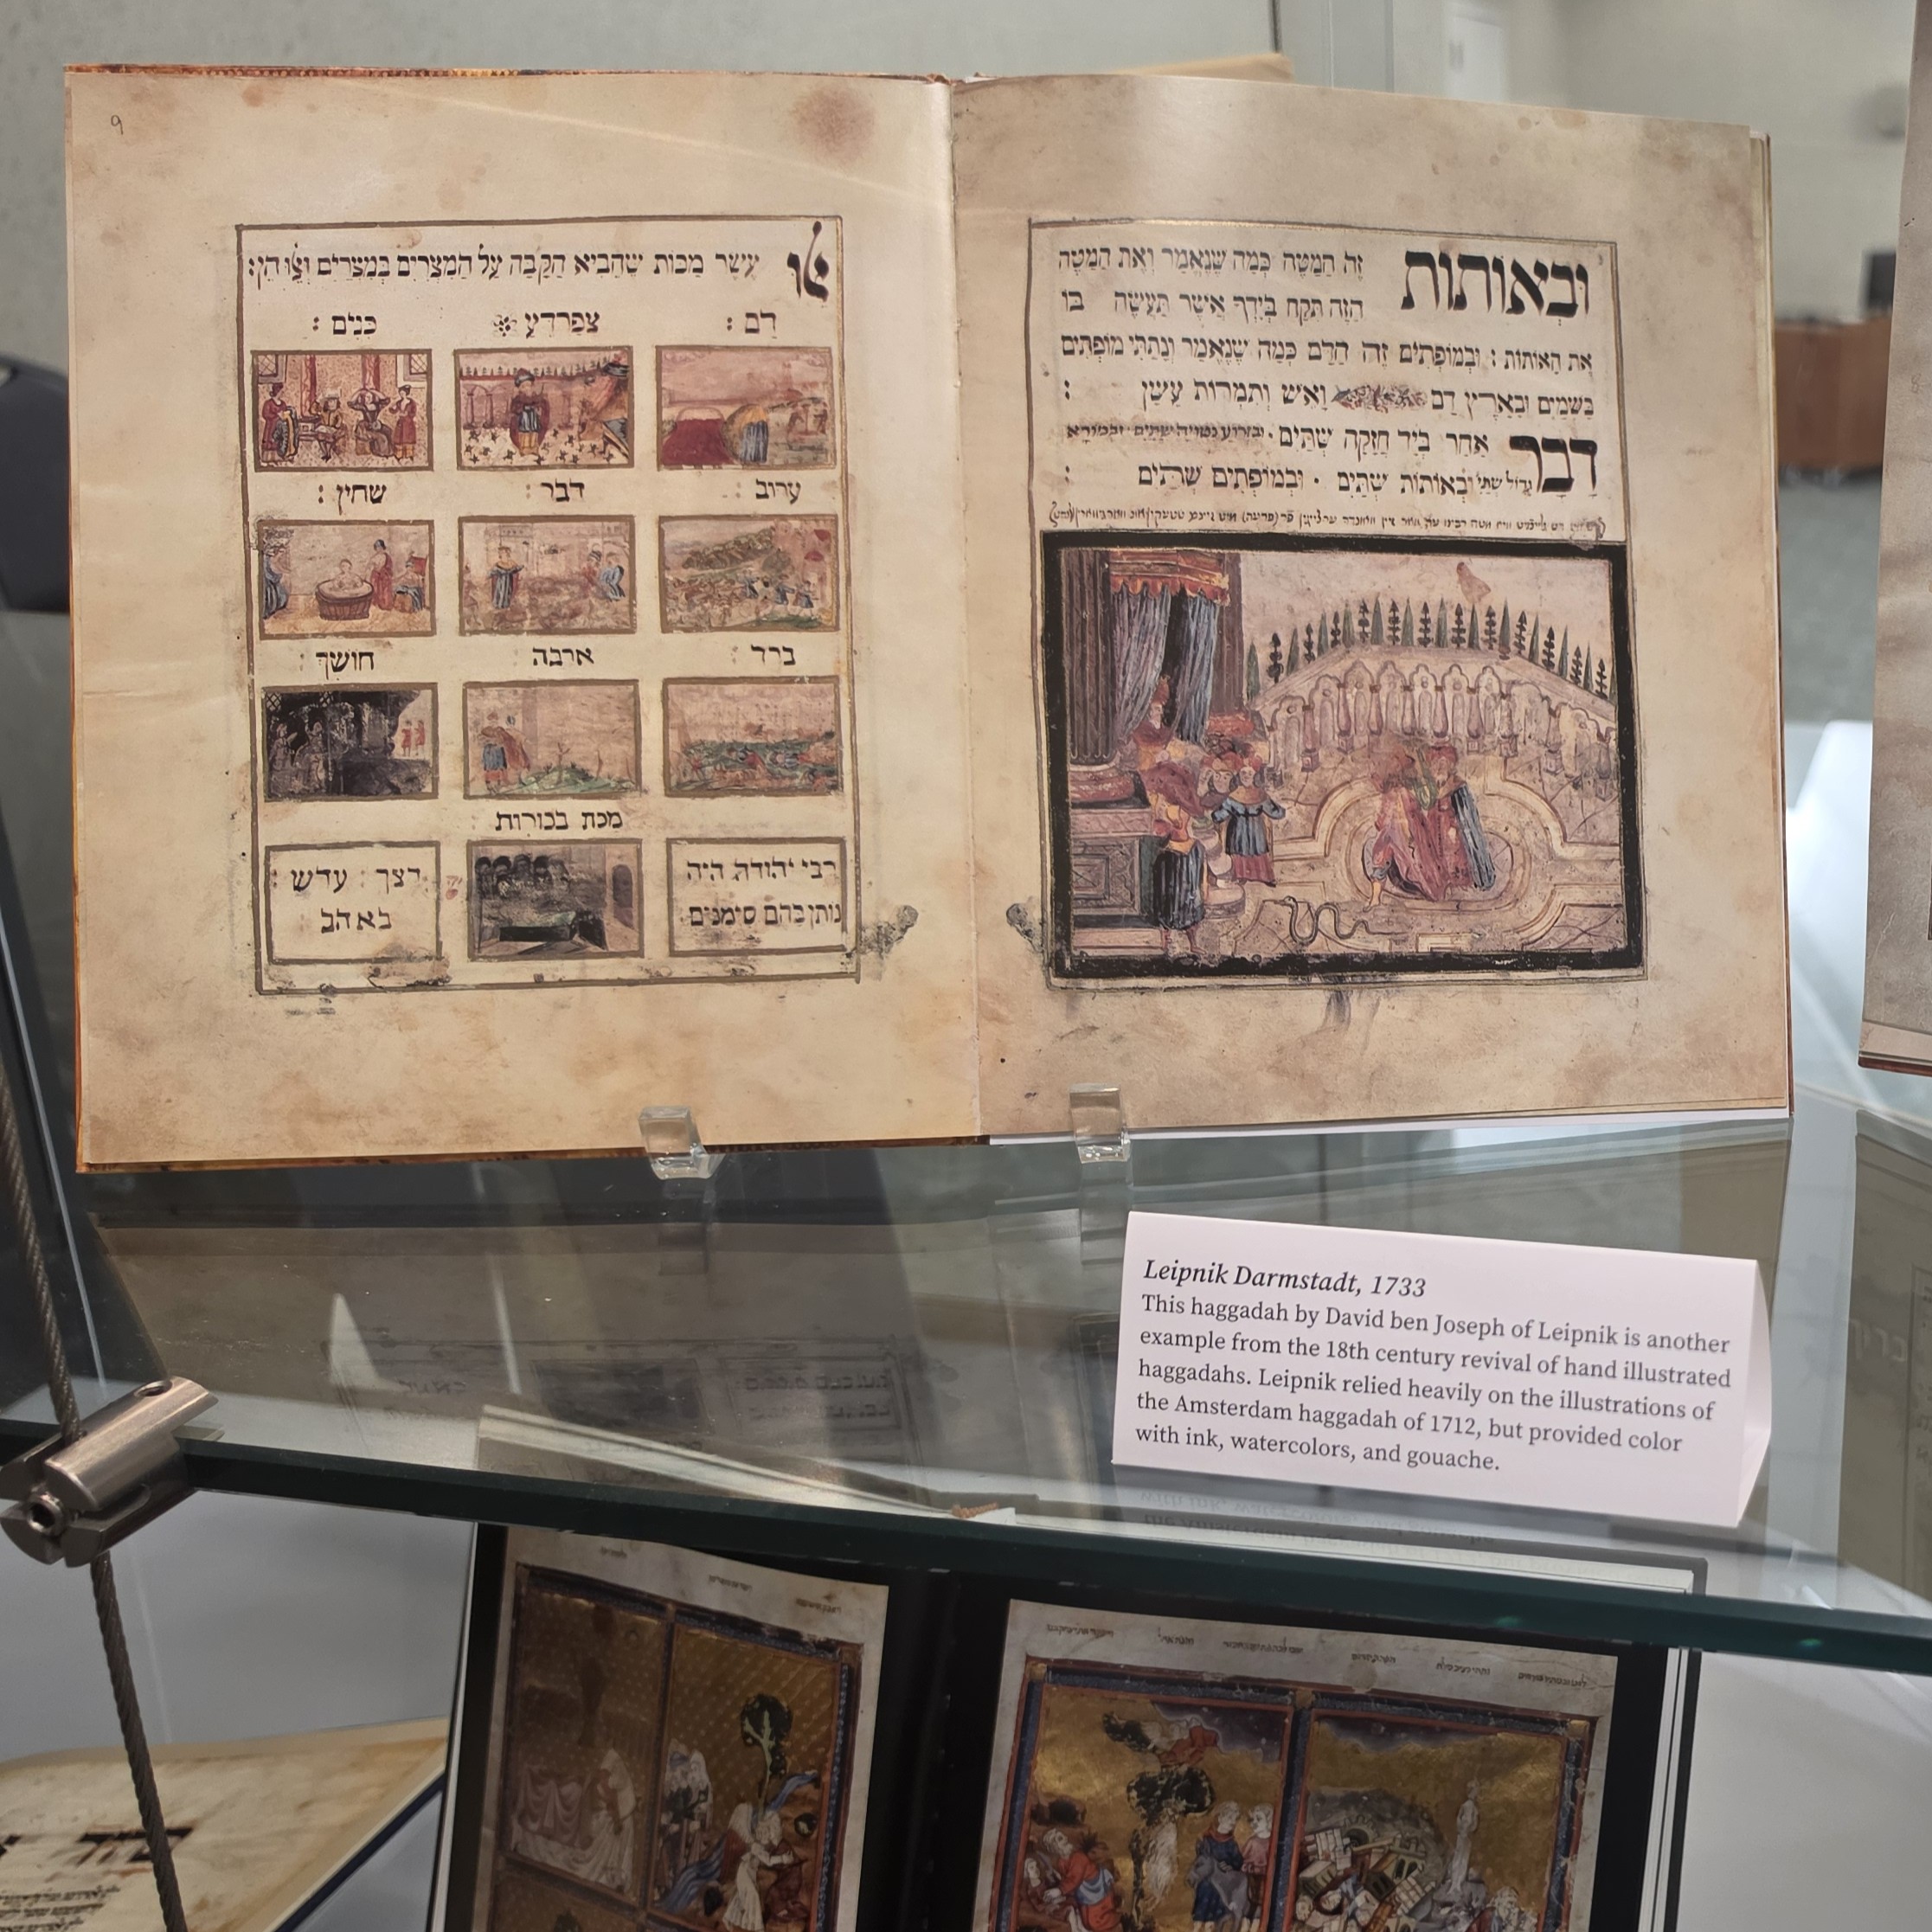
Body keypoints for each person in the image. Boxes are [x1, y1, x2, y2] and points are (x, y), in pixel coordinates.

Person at [1145, 761, 1206, 959]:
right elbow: (1161, 829)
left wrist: (1164, 813)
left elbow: (1177, 826)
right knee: (1167, 899)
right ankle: (1165, 941)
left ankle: (1192, 943)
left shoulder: (1178, 808)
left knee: (1189, 899)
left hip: (1184, 850)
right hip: (1171, 851)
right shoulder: (1164, 805)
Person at [1038, 1825, 1121, 1932]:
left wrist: (1059, 1890)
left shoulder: (1078, 1857)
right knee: (1086, 1922)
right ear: (1053, 1847)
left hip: (1096, 1890)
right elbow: (1067, 1879)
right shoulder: (1061, 1862)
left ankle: (1118, 1919)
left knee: (1094, 1922)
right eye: (1060, 1839)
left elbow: (1074, 1879)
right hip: (1084, 1894)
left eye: (1063, 1837)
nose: (1066, 1839)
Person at [1187, 1803, 1248, 1932]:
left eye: (1234, 1820)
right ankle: (1198, 1924)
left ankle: (1211, 1925)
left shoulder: (1231, 1843)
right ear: (1220, 1818)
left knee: (1218, 1893)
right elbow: (1202, 1858)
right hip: (1207, 1878)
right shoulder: (1207, 1839)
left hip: (1223, 1879)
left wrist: (1230, 1865)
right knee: (1204, 1889)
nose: (1232, 1823)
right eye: (1230, 1818)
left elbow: (1238, 1860)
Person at [479, 714, 530, 791]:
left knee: (500, 766)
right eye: (491, 722)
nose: (493, 723)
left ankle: (499, 783)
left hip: (499, 751)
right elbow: (482, 739)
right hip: (489, 751)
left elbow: (508, 738)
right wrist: (489, 741)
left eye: (495, 722)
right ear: (489, 722)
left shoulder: (500, 730)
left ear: (497, 722)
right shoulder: (486, 730)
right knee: (490, 767)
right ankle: (489, 784)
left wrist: (512, 743)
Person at [510, 370, 550, 456]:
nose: (527, 388)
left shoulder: (533, 396)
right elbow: (515, 408)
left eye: (528, 385)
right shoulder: (519, 398)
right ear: (519, 388)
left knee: (534, 431)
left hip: (533, 417)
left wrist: (540, 399)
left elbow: (538, 401)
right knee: (525, 432)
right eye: (523, 386)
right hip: (524, 418)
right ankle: (524, 448)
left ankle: (534, 447)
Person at [259, 381, 297, 463]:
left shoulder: (283, 404)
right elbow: (265, 414)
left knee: (281, 442)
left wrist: (286, 415)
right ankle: (268, 459)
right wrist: (276, 415)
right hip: (271, 427)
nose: (282, 393)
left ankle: (280, 457)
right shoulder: (268, 403)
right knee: (270, 442)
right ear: (277, 391)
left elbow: (284, 414)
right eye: (281, 392)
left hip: (281, 428)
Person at [260, 542, 289, 621]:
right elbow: (270, 574)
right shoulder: (268, 559)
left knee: (282, 593)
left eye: (283, 552)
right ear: (276, 551)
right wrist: (280, 576)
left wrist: (283, 574)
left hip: (272, 581)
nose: (282, 554)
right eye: (281, 552)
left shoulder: (276, 559)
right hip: (267, 583)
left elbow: (279, 569)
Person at [491, 547, 525, 612]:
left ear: (508, 553)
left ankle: (506, 606)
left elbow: (517, 569)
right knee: (501, 592)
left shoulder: (511, 563)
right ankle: (499, 606)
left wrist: (520, 567)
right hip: (501, 582)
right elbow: (492, 572)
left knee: (508, 592)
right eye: (502, 552)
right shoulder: (498, 564)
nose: (504, 554)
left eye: (505, 552)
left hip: (509, 581)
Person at [389, 382, 417, 459]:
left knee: (409, 438)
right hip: (401, 423)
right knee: (399, 438)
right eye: (400, 393)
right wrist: (392, 406)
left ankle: (409, 455)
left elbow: (414, 412)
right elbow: (393, 411)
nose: (401, 395)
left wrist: (408, 414)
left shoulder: (411, 403)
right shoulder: (399, 403)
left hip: (409, 423)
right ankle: (399, 455)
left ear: (406, 393)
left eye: (403, 393)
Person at [369, 539, 394, 612]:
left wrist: (383, 571)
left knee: (385, 589)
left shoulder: (387, 557)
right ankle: (376, 603)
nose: (378, 549)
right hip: (376, 576)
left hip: (384, 576)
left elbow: (389, 568)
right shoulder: (374, 557)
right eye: (377, 547)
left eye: (380, 547)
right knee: (375, 588)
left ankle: (385, 604)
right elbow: (370, 567)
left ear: (383, 547)